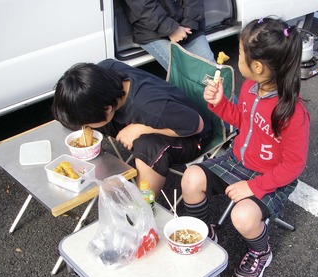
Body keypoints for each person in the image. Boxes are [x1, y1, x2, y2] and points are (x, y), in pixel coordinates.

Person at [181, 18, 310, 277]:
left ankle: (261, 251)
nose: (239, 58)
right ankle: (206, 231)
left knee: (244, 216)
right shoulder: (250, 88)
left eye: (241, 54)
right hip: (238, 161)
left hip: (271, 177)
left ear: (258, 66)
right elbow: (242, 120)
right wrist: (220, 104)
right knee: (191, 177)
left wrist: (254, 186)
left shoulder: (292, 111)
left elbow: (294, 166)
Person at [51, 59, 212, 195]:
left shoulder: (150, 107)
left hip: (191, 136)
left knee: (147, 146)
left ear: (107, 109)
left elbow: (196, 125)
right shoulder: (105, 72)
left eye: (86, 124)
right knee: (93, 123)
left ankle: (143, 204)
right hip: (167, 117)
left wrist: (140, 129)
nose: (84, 127)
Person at [122, 0, 215, 71]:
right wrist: (172, 29)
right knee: (186, 74)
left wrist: (189, 23)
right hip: (151, 29)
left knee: (213, 72)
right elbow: (143, 5)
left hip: (188, 23)